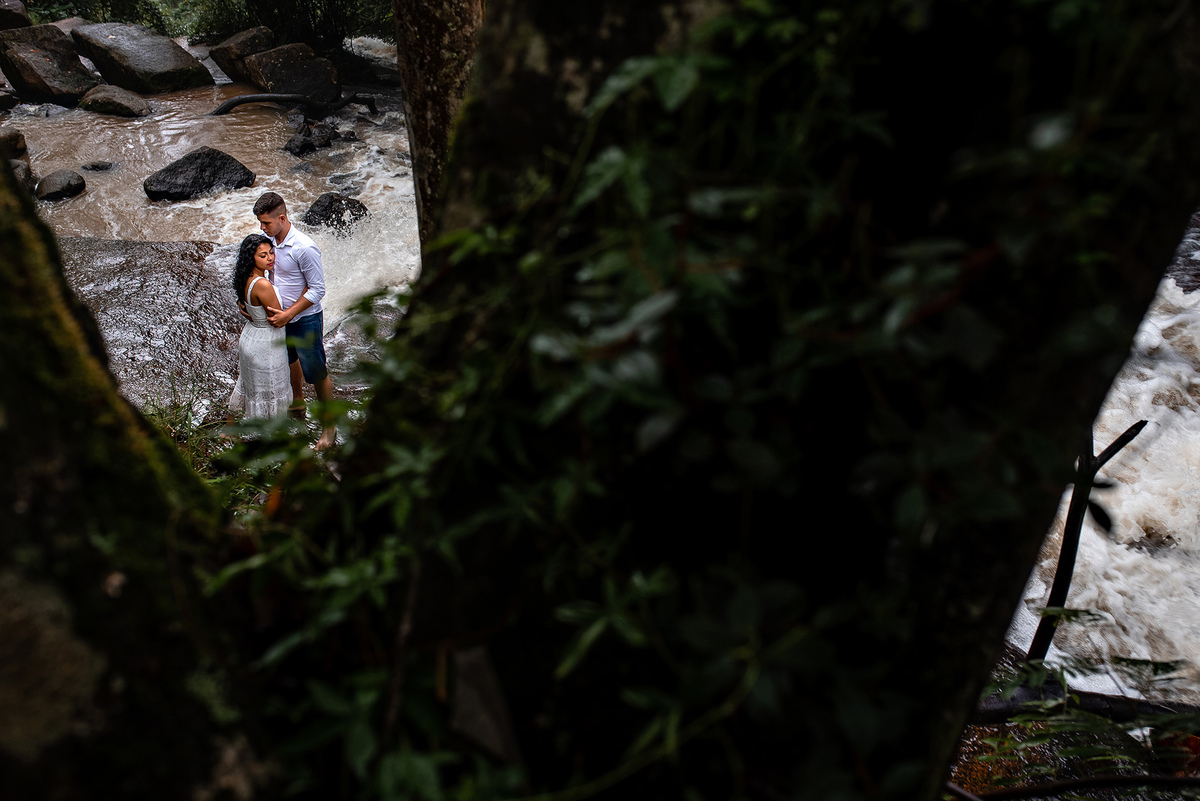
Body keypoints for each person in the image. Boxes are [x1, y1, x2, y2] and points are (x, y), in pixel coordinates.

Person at [252, 191, 337, 450]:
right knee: (289, 359)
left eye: (266, 222)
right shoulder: (267, 242)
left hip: (304, 319)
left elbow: (318, 289)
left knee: (316, 371)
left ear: (282, 218)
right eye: (260, 223)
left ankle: (329, 427)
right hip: (279, 318)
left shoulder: (304, 247)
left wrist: (289, 314)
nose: (262, 228)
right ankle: (297, 401)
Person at [228, 234, 291, 420]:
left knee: (247, 386)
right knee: (271, 390)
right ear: (251, 258)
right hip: (266, 342)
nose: (270, 258)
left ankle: (229, 430)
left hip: (251, 335)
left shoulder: (246, 277)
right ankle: (272, 432)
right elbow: (278, 318)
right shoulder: (262, 284)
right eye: (263, 256)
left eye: (271, 252)